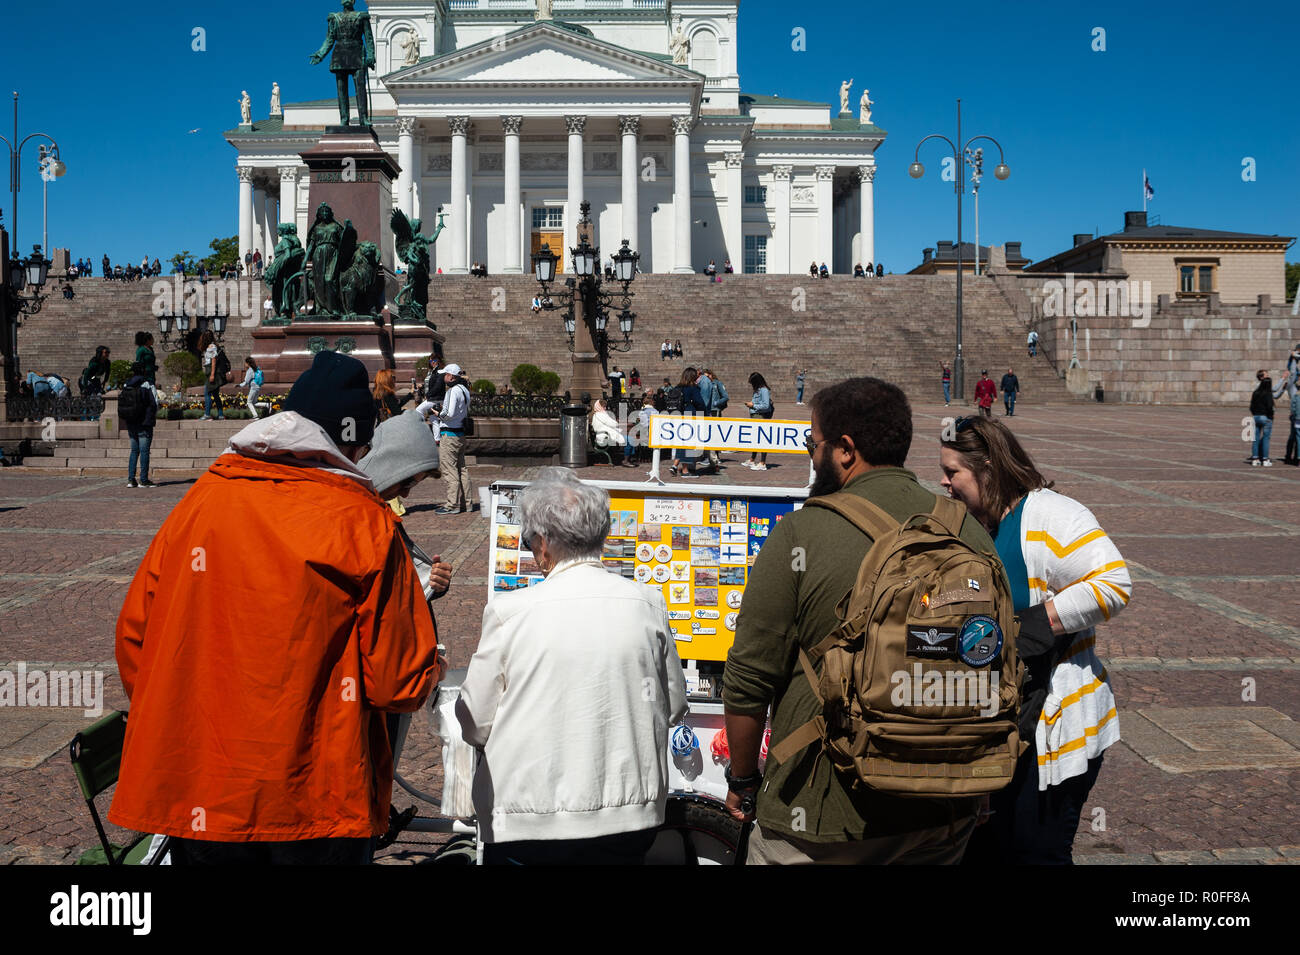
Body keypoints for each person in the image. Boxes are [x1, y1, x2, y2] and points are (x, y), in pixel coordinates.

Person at [110, 350, 443, 864]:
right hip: (313, 801)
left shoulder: (199, 502)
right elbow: (396, 680)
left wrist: (199, 719)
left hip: (206, 792)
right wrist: (433, 667)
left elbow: (135, 640)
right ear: (350, 443)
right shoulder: (363, 521)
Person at [723, 377, 996, 864]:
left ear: (845, 450)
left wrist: (742, 779)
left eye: (814, 443)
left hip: (822, 812)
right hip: (941, 808)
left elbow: (747, 680)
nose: (811, 455)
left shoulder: (802, 533)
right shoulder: (966, 529)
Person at [456, 468, 687, 864]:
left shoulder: (511, 612)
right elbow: (674, 705)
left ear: (543, 544)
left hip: (531, 821)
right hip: (629, 818)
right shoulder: (647, 605)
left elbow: (475, 722)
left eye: (530, 542)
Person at [940, 416, 1130, 864]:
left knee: (1034, 852)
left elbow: (1113, 584)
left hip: (1050, 726)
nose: (944, 482)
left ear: (986, 468)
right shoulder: (973, 522)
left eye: (953, 473)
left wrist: (1027, 626)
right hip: (996, 726)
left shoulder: (1052, 514)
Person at [421, 362, 472, 514]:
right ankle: (467, 503)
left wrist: (436, 413)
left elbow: (448, 414)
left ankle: (452, 505)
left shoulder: (452, 391)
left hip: (449, 435)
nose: (443, 377)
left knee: (450, 471)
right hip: (460, 434)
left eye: (445, 375)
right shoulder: (465, 390)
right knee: (462, 469)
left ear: (450, 377)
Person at [120, 361, 159, 488]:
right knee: (144, 451)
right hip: (144, 422)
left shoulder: (126, 384)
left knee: (134, 451)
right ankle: (143, 479)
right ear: (143, 370)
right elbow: (155, 403)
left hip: (131, 421)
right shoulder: (147, 384)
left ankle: (131, 480)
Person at [667, 367, 707, 478]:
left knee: (682, 443)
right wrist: (705, 414)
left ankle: (675, 465)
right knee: (688, 444)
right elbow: (700, 403)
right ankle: (685, 471)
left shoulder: (677, 387)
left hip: (678, 416)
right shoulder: (693, 388)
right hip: (690, 417)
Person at [592, 398, 637, 468]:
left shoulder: (597, 414)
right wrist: (615, 422)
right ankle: (626, 460)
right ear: (599, 406)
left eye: (605, 406)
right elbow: (613, 424)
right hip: (605, 437)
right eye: (603, 406)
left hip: (605, 435)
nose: (605, 408)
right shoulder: (601, 415)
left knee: (630, 439)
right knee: (630, 440)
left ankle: (628, 458)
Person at [743, 372, 773, 470]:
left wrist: (753, 405)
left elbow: (766, 405)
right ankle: (752, 459)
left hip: (760, 416)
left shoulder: (764, 390)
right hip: (755, 416)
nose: (752, 385)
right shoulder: (758, 390)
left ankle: (762, 462)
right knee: (755, 439)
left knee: (762, 439)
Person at [1250, 369, 1276, 467]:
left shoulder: (1255, 392)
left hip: (1256, 417)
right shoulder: (1268, 393)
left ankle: (1255, 459)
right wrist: (1270, 416)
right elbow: (1270, 406)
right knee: (1266, 438)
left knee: (1255, 439)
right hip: (1266, 417)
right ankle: (1265, 459)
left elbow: (1251, 407)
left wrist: (1255, 414)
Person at [198, 331, 224, 421]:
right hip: (212, 372)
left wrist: (212, 375)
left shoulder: (211, 347)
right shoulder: (212, 346)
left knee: (207, 393)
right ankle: (220, 415)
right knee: (215, 394)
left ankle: (207, 414)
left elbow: (213, 361)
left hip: (212, 372)